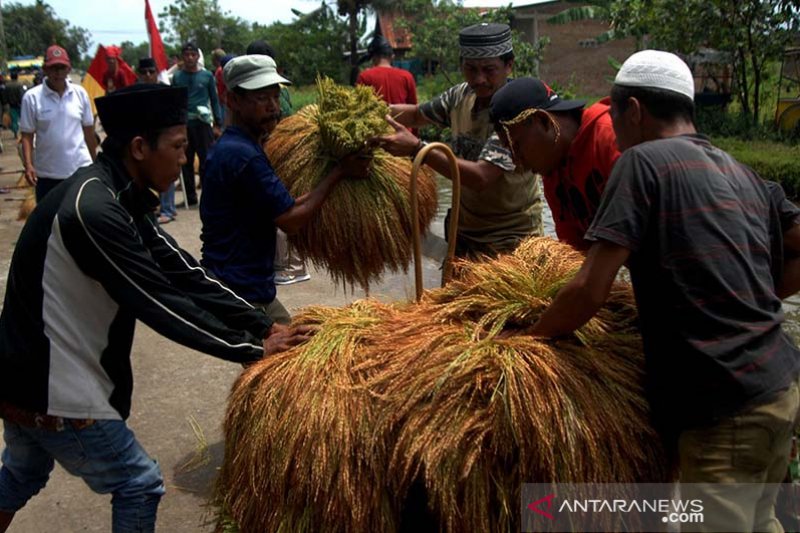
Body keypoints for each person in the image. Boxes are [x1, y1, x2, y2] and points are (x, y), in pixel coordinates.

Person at [0, 83, 312, 533]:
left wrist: (261, 326)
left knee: (21, 475)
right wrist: (251, 349)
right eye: (179, 146)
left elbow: (184, 272)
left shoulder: (115, 196)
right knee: (139, 484)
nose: (186, 159)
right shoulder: (94, 211)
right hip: (53, 388)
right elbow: (157, 300)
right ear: (140, 148)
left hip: (23, 377)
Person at [529, 50, 800, 532]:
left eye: (615, 118)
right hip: (780, 389)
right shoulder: (741, 172)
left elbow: (590, 289)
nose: (615, 133)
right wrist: (747, 295)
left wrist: (528, 338)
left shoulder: (641, 163)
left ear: (633, 111)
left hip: (724, 406)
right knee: (762, 522)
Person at [200, 55, 369, 324]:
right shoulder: (243, 156)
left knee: (290, 341)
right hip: (239, 291)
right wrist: (339, 173)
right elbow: (290, 220)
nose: (273, 106)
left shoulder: (239, 146)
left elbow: (286, 206)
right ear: (233, 101)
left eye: (275, 97)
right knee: (287, 346)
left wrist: (334, 172)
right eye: (261, 98)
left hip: (244, 285)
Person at [374, 22, 543, 259]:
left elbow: (481, 177)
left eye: (489, 70)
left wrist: (417, 149)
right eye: (471, 69)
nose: (479, 79)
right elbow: (416, 115)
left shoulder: (517, 110)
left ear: (509, 65)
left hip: (511, 240)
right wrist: (370, 110)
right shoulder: (460, 95)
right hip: (465, 233)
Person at [489, 77, 621, 250]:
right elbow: (575, 251)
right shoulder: (553, 174)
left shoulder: (609, 139)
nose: (516, 161)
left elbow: (627, 230)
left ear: (544, 121)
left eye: (517, 146)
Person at [245, 39, 308, 284]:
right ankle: (294, 264)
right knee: (284, 201)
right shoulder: (282, 89)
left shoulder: (265, 94)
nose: (271, 103)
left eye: (273, 97)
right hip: (284, 150)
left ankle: (285, 266)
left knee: (279, 206)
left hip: (276, 151)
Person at [20, 45, 97, 202]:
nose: (58, 72)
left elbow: (88, 131)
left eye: (62, 68)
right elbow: (27, 136)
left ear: (68, 69)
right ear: (45, 70)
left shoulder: (80, 94)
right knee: (49, 217)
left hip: (80, 171)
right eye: (53, 68)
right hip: (47, 176)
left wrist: (95, 162)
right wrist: (28, 166)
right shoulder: (32, 98)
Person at [171, 41, 222, 206]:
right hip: (184, 125)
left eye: (193, 55)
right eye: (187, 55)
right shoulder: (177, 77)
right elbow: (173, 101)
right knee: (185, 161)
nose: (190, 58)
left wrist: (218, 123)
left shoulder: (207, 76)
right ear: (182, 57)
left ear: (198, 56)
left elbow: (214, 100)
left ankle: (209, 197)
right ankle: (190, 197)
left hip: (203, 124)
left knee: (206, 160)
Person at [356, 35, 417, 106]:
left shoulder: (364, 77)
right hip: (402, 114)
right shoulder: (407, 76)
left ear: (373, 57)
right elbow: (413, 108)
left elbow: (359, 107)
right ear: (392, 57)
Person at [4, 70, 27, 139]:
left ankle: (15, 133)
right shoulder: (20, 84)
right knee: (23, 119)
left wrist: (6, 102)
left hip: (11, 105)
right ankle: (23, 133)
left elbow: (5, 95)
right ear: (17, 77)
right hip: (20, 104)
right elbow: (22, 95)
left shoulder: (7, 85)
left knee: (14, 119)